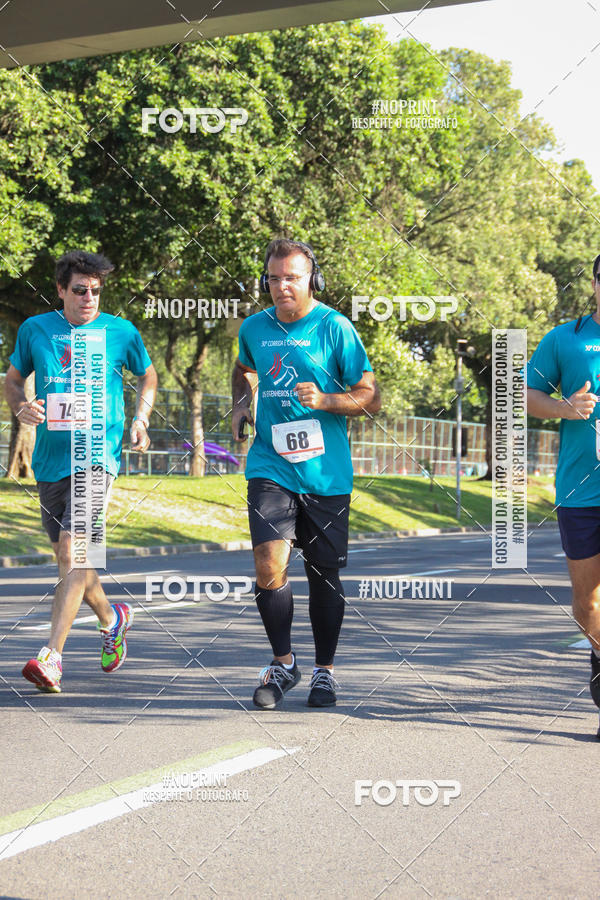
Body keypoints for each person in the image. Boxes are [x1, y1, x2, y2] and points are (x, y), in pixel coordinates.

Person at [231, 238, 380, 709]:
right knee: (268, 566)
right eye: (273, 279)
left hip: (326, 473)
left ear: (311, 279)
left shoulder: (335, 327)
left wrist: (328, 401)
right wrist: (242, 405)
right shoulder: (254, 328)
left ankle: (324, 672)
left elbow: (371, 396)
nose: (281, 287)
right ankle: (284, 662)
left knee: (324, 577)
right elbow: (243, 368)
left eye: (291, 278)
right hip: (271, 467)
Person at [4, 250, 157, 693]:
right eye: (80, 290)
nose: (89, 298)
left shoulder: (120, 331)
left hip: (97, 456)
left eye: (95, 290)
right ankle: (112, 620)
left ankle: (52, 657)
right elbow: (13, 379)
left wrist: (141, 419)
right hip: (50, 462)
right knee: (71, 560)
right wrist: (21, 405)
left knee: (74, 551)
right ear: (60, 290)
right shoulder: (36, 330)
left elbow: (147, 377)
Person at [527, 253, 600, 738]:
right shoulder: (566, 338)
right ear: (595, 281)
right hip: (582, 490)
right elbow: (522, 396)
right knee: (588, 602)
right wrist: (565, 408)